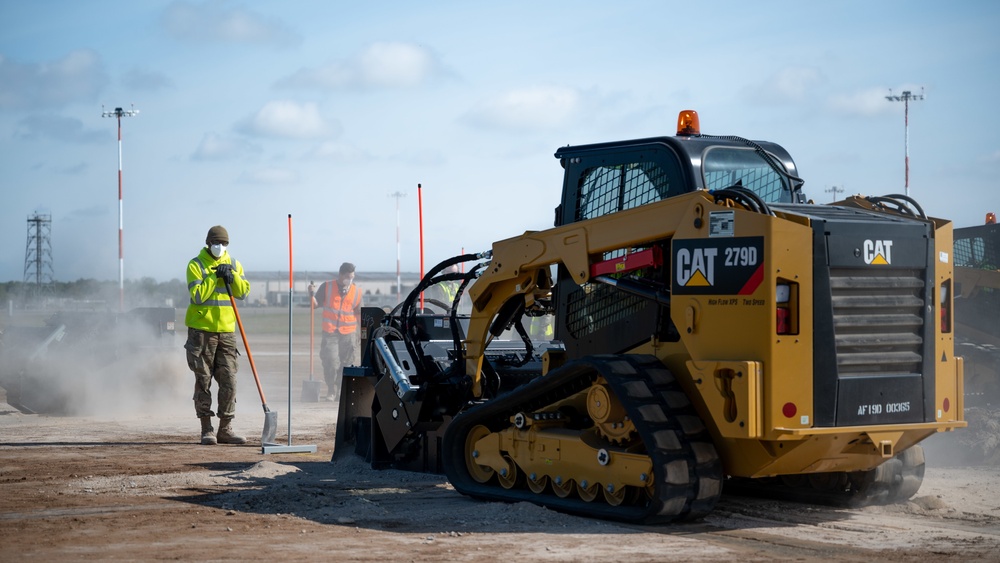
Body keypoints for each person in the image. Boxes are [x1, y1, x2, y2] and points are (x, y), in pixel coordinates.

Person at [184, 225, 251, 445]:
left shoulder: (233, 264)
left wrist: (231, 276)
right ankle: (206, 429)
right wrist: (214, 278)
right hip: (201, 332)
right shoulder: (196, 265)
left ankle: (226, 428)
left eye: (223, 244)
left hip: (226, 332)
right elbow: (197, 296)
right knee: (203, 380)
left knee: (229, 379)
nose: (219, 247)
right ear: (207, 243)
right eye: (215, 243)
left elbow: (243, 292)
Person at [312, 262, 363, 401]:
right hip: (330, 332)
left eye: (352, 277)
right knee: (331, 361)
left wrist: (362, 332)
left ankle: (341, 390)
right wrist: (311, 295)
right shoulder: (327, 287)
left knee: (347, 364)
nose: (350, 280)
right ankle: (331, 390)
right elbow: (315, 305)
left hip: (349, 333)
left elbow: (359, 313)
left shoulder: (356, 291)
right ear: (340, 275)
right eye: (348, 277)